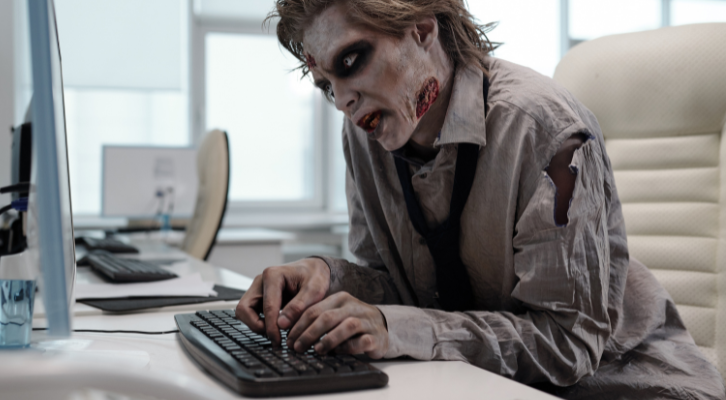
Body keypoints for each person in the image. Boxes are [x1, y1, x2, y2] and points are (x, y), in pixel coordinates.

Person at [235, 0, 726, 398]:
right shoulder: (365, 138)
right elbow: (399, 290)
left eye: (351, 61)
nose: (342, 100)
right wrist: (328, 278)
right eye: (327, 86)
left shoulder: (542, 127)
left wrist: (397, 327)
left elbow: (569, 343)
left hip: (626, 383)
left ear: (422, 30)